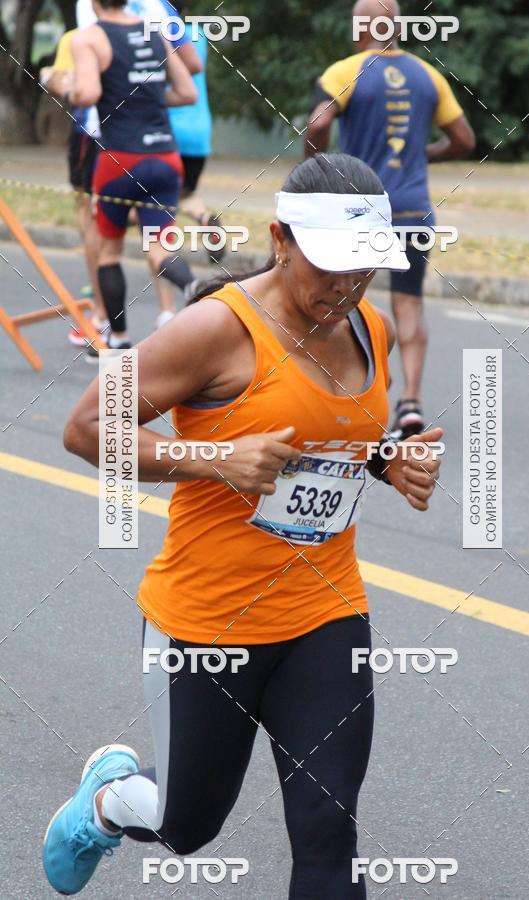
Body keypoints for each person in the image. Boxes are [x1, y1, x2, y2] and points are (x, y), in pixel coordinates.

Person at [43, 152, 444, 898]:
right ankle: (107, 801)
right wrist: (214, 457)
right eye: (331, 266)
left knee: (328, 834)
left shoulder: (372, 327)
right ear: (280, 240)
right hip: (209, 621)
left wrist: (389, 460)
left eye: (364, 268)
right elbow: (85, 428)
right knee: (187, 823)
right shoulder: (214, 330)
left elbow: (333, 431)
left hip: (325, 612)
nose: (347, 286)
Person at [305, 0, 475, 437]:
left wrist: (316, 169)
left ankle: (352, 397)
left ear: (358, 27)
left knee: (344, 300)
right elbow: (463, 138)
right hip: (413, 209)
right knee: (409, 303)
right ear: (397, 27)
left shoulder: (345, 72)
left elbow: (318, 124)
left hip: (360, 208)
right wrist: (422, 154)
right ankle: (411, 403)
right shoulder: (428, 74)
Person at [68, 0, 198, 354]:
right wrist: (147, 99)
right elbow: (188, 92)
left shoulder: (89, 38)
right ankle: (192, 285)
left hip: (119, 160)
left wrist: (67, 88)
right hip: (165, 157)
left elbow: (89, 93)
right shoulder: (155, 32)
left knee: (109, 252)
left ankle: (119, 339)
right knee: (158, 247)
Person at [41, 31, 108, 346]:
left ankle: (100, 316)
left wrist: (50, 77)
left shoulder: (79, 36)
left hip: (91, 134)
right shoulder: (147, 26)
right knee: (134, 217)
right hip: (145, 137)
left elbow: (63, 84)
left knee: (90, 217)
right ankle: (170, 312)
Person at [166, 0, 225, 263]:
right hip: (199, 132)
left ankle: (167, 261)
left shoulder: (160, 34)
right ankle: (205, 218)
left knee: (152, 199)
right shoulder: (198, 34)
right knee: (184, 194)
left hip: (168, 131)